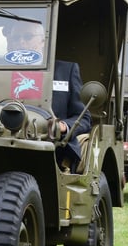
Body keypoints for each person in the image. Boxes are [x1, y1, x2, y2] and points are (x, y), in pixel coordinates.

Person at [6, 21, 91, 171]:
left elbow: (83, 117)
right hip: (3, 141)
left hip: (52, 146)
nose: (21, 42)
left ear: (42, 41)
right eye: (16, 38)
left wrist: (64, 126)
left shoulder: (65, 71)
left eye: (28, 36)